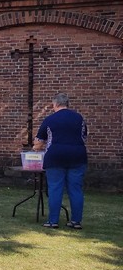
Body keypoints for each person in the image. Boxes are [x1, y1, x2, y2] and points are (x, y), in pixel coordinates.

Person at [34, 92, 88, 229]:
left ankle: (53, 221)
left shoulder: (50, 119)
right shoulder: (79, 118)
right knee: (76, 189)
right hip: (77, 156)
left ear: (56, 104)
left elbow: (39, 141)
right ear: (67, 104)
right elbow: (84, 137)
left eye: (53, 105)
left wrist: (36, 147)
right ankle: (76, 221)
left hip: (55, 156)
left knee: (55, 188)